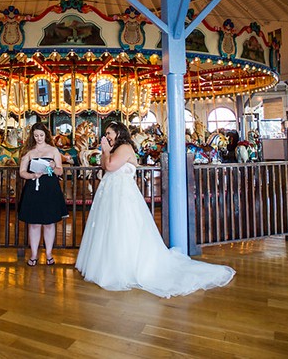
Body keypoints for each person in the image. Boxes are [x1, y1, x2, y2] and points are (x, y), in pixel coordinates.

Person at [75, 121, 235, 298]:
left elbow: (111, 166)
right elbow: (106, 166)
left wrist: (105, 150)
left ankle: (125, 266)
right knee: (110, 228)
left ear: (119, 134)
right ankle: (108, 264)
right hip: (112, 193)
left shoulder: (125, 147)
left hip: (122, 195)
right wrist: (106, 151)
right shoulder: (113, 150)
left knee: (123, 227)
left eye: (109, 133)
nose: (107, 136)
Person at [18, 122, 68, 266]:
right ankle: (34, 254)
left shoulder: (53, 151)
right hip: (33, 187)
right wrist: (32, 176)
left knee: (49, 223)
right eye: (36, 136)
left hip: (50, 187)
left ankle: (49, 253)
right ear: (32, 137)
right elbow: (22, 172)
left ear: (46, 135)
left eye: (41, 135)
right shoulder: (29, 152)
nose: (39, 138)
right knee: (33, 223)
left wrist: (53, 166)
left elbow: (60, 171)